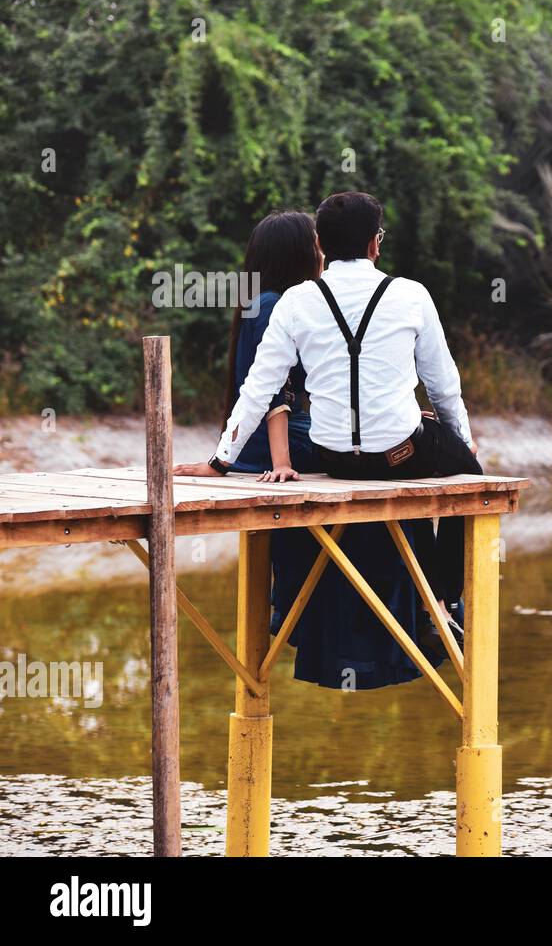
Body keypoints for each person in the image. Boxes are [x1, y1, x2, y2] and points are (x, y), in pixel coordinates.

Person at [175, 210, 453, 689]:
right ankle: (429, 606)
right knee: (387, 474)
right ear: (303, 252)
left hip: (271, 435)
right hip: (273, 440)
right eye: (316, 248)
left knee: (378, 470)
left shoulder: (279, 302)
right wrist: (278, 462)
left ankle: (412, 609)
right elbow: (273, 392)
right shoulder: (274, 305)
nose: (323, 256)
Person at [204, 192, 483, 623]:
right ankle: (442, 599)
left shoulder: (295, 301)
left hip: (331, 458)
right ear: (375, 244)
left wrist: (221, 462)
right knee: (469, 475)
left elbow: (258, 388)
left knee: (418, 440)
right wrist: (461, 442)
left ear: (321, 243)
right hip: (398, 455)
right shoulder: (410, 294)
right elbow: (443, 386)